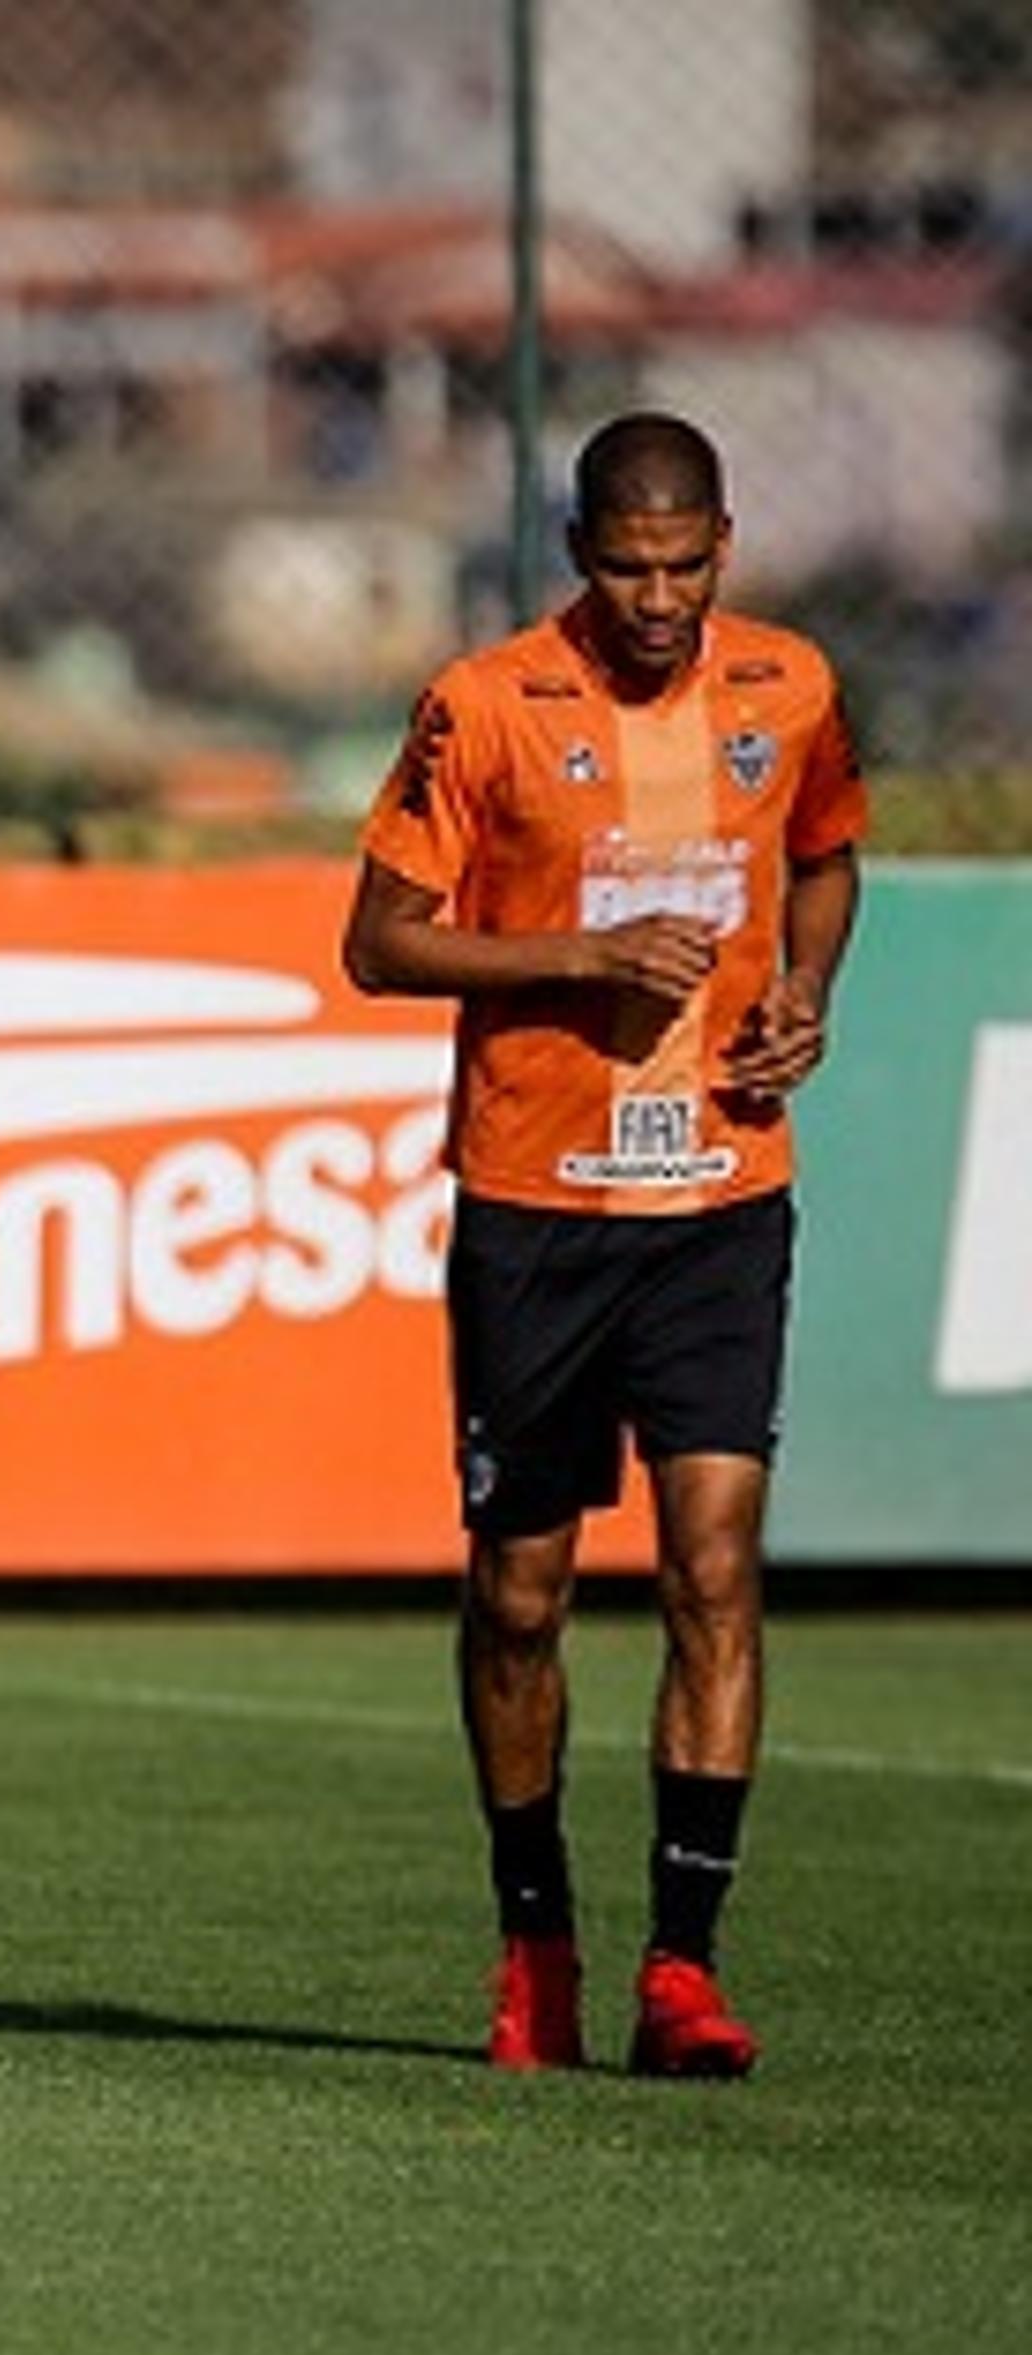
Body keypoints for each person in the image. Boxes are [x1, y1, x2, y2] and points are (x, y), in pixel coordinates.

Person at [343, 412, 865, 2079]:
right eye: (630, 567)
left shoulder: (789, 687)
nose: (661, 597)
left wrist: (804, 997)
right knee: (521, 1593)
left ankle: (685, 1969)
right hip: (538, 1206)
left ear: (727, 541)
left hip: (721, 1196)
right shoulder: (484, 704)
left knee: (715, 1562)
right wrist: (578, 952)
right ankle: (535, 1940)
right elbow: (376, 942)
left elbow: (830, 858)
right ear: (578, 553)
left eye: (689, 563)